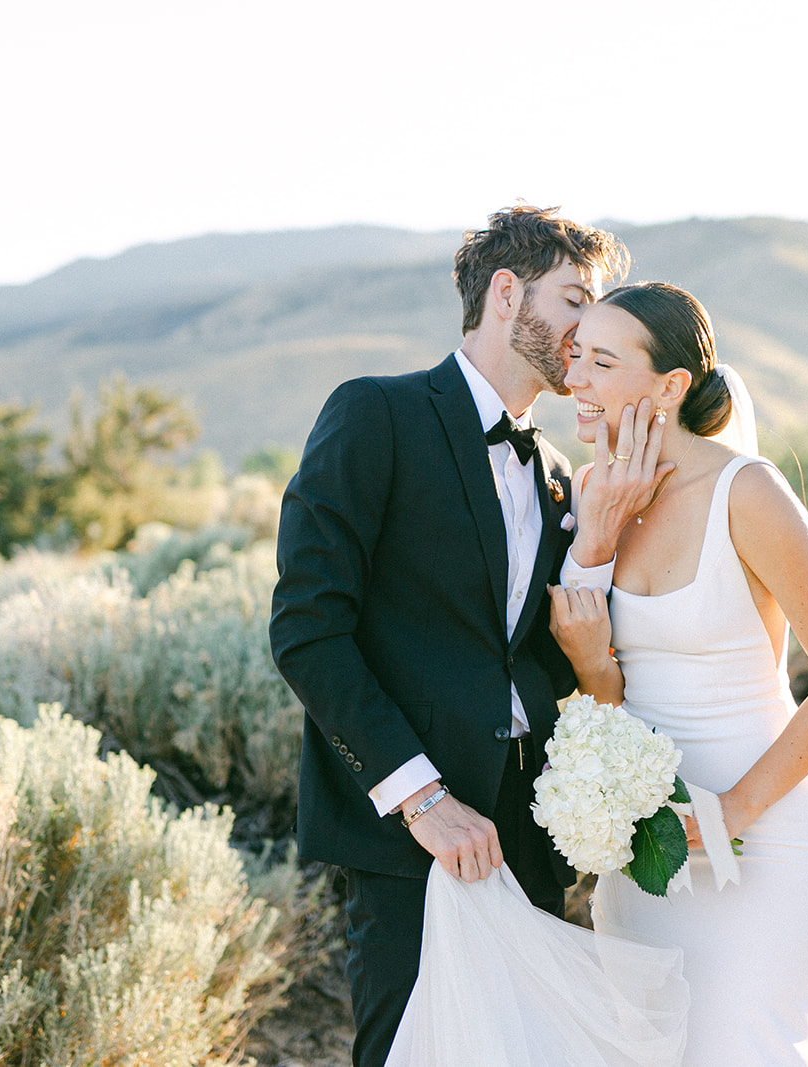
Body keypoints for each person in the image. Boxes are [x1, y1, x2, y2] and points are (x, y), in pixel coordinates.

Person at [269, 205, 641, 1067]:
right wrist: (423, 800)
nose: (594, 329)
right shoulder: (376, 415)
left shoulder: (555, 471)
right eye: (576, 300)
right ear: (507, 294)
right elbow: (308, 629)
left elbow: (541, 644)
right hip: (417, 834)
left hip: (533, 829)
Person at [548, 281, 808, 1067]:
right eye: (575, 359)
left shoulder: (747, 491)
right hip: (649, 849)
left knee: (745, 1046)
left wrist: (734, 809)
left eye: (601, 361)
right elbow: (600, 687)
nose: (577, 383)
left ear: (670, 386)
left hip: (766, 837)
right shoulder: (591, 495)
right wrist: (592, 602)